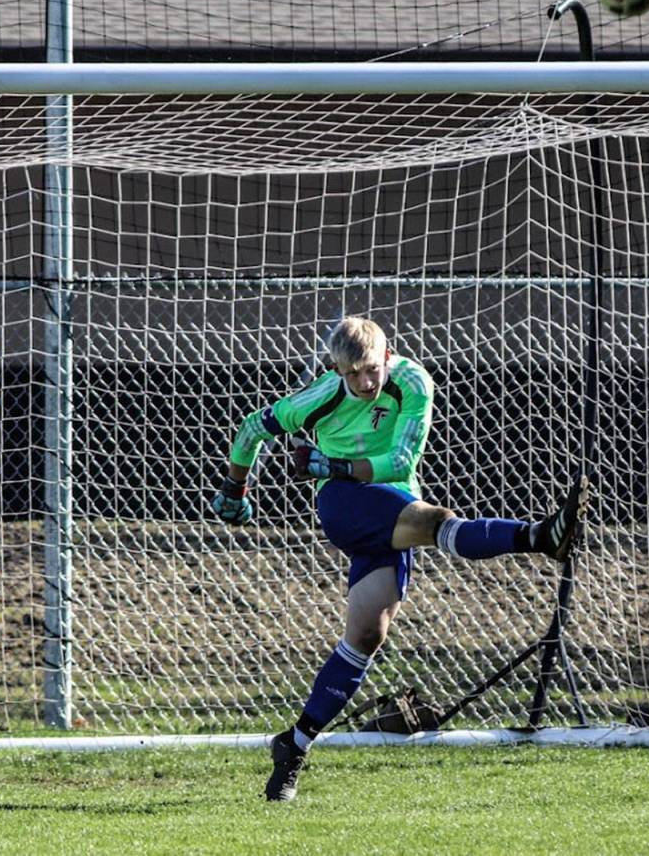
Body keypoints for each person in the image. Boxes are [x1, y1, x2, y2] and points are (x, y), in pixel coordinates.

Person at [210, 316, 588, 802]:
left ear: (387, 357)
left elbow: (402, 463)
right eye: (352, 375)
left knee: (367, 636)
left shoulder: (413, 382)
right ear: (335, 370)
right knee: (440, 523)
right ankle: (539, 536)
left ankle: (294, 746)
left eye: (371, 370)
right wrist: (235, 487)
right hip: (345, 505)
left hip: (391, 502)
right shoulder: (320, 396)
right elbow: (252, 427)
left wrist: (336, 463)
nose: (365, 383)